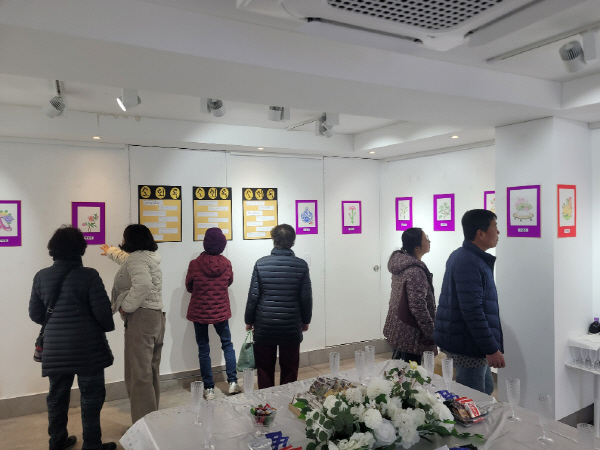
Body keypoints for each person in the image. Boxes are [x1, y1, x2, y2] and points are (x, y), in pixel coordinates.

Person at [29, 226, 116, 450]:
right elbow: (103, 314)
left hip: (55, 349)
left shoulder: (41, 276)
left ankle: (57, 441)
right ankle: (92, 444)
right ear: (80, 249)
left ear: (53, 249)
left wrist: (57, 324)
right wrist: (105, 326)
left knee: (57, 397)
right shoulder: (89, 275)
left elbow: (35, 314)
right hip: (88, 350)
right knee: (91, 397)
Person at [433, 209, 504, 395]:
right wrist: (491, 349)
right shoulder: (469, 261)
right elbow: (472, 310)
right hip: (467, 345)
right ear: (480, 233)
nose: (498, 232)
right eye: (494, 227)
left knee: (486, 389)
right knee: (473, 398)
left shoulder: (466, 256)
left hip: (468, 341)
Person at [102, 224, 165, 423]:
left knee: (139, 374)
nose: (122, 241)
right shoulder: (148, 257)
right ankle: (151, 421)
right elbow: (128, 261)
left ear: (130, 240)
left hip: (141, 318)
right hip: (156, 317)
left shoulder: (137, 259)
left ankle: (143, 426)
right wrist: (111, 252)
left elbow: (143, 283)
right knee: (150, 371)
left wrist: (126, 307)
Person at [244, 224, 312, 389]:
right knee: (290, 368)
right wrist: (306, 320)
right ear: (293, 241)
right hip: (291, 324)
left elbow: (253, 296)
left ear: (274, 240)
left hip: (265, 324)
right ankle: (286, 400)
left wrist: (249, 320)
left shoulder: (261, 264)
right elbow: (306, 297)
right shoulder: (301, 265)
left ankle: (266, 402)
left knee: (264, 368)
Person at [185, 227, 239, 400]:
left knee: (203, 349)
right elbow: (229, 282)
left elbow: (189, 286)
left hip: (199, 311)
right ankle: (232, 382)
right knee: (227, 345)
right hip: (220, 310)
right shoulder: (227, 263)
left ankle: (209, 389)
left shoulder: (195, 264)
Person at [383, 228, 436, 365]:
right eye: (426, 239)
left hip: (401, 327)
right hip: (412, 332)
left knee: (400, 369)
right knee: (411, 372)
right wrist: (430, 332)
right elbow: (417, 306)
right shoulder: (414, 271)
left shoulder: (402, 264)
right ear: (417, 247)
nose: (429, 241)